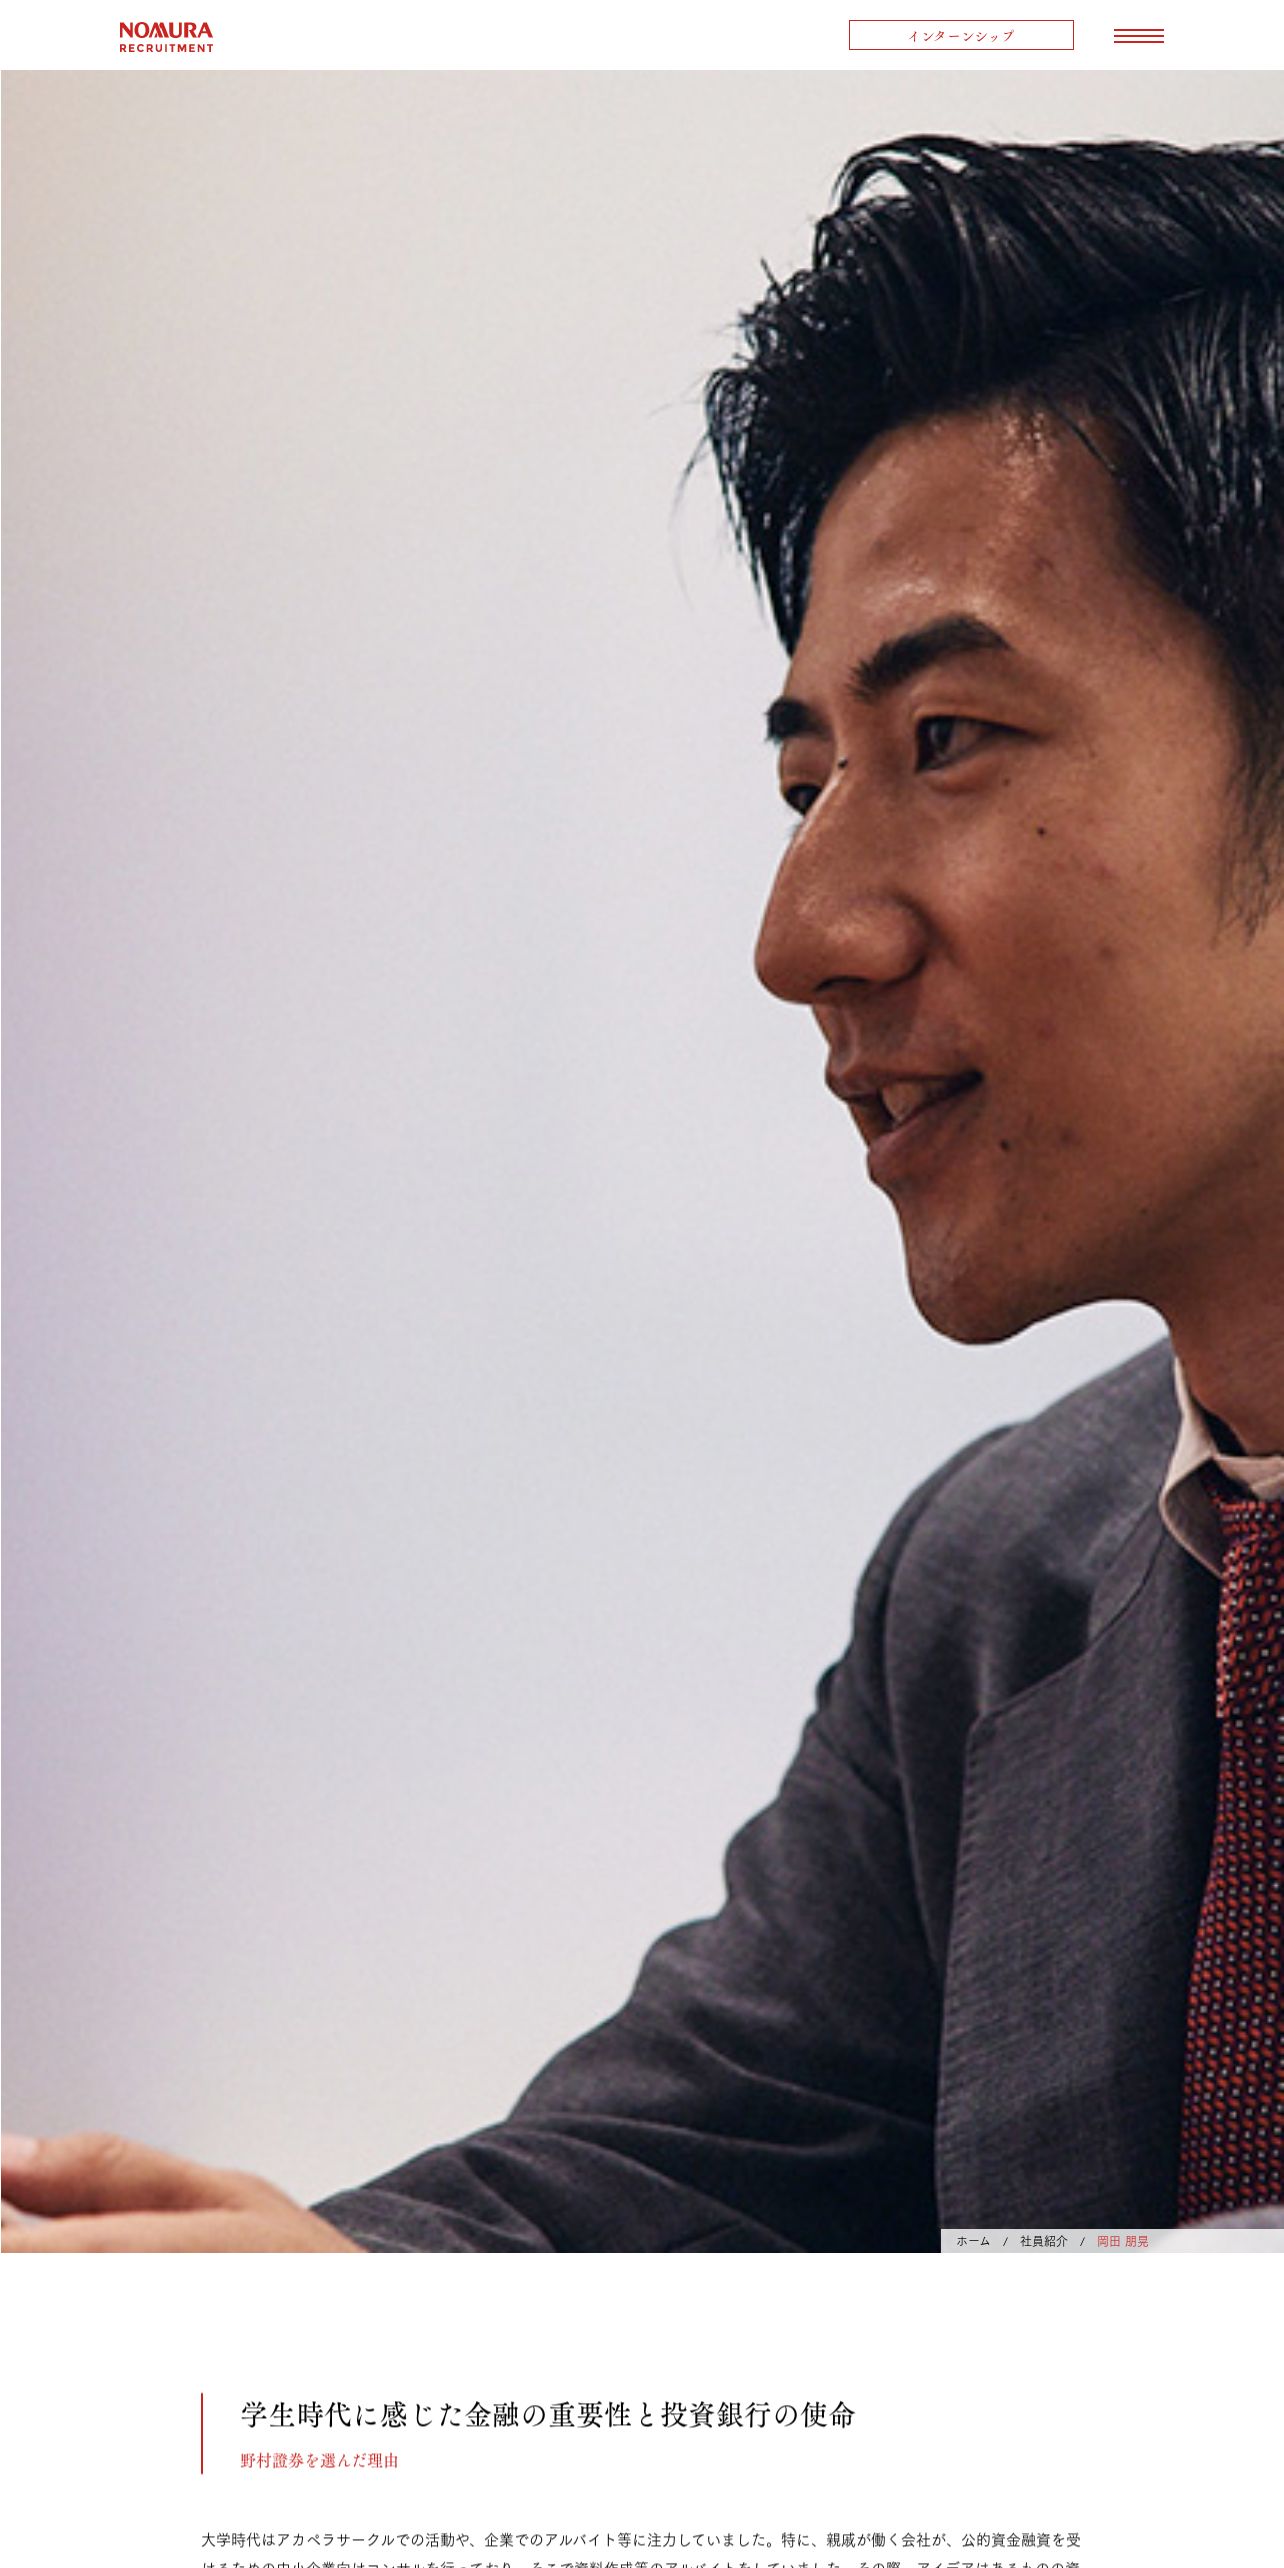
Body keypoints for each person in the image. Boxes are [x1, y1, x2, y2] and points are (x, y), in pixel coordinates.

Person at [4, 132, 1282, 2253]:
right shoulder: (998, 1585)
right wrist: (299, 2301)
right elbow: (668, 2192)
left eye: (947, 741)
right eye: (806, 783)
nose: (803, 937)